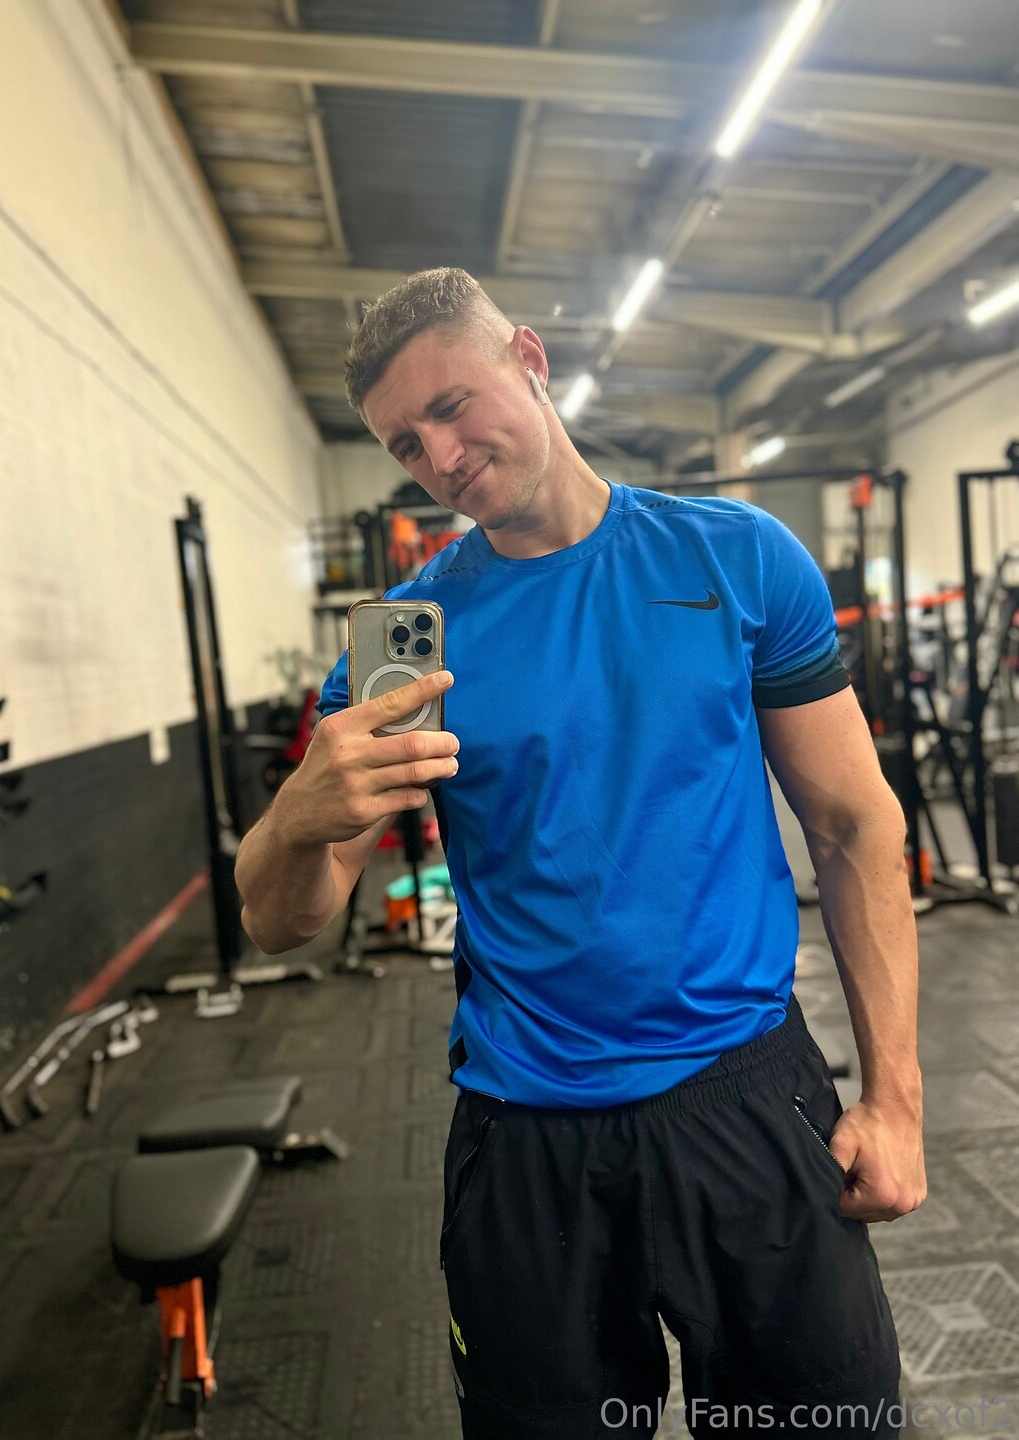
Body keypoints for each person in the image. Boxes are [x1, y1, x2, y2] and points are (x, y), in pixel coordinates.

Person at [235, 268, 926, 1439]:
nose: (441, 458)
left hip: (747, 1096)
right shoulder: (411, 643)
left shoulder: (737, 559)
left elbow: (855, 825)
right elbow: (281, 919)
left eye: (451, 406)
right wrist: (299, 814)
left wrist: (896, 1102)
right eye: (405, 444)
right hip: (526, 1138)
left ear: (529, 358)